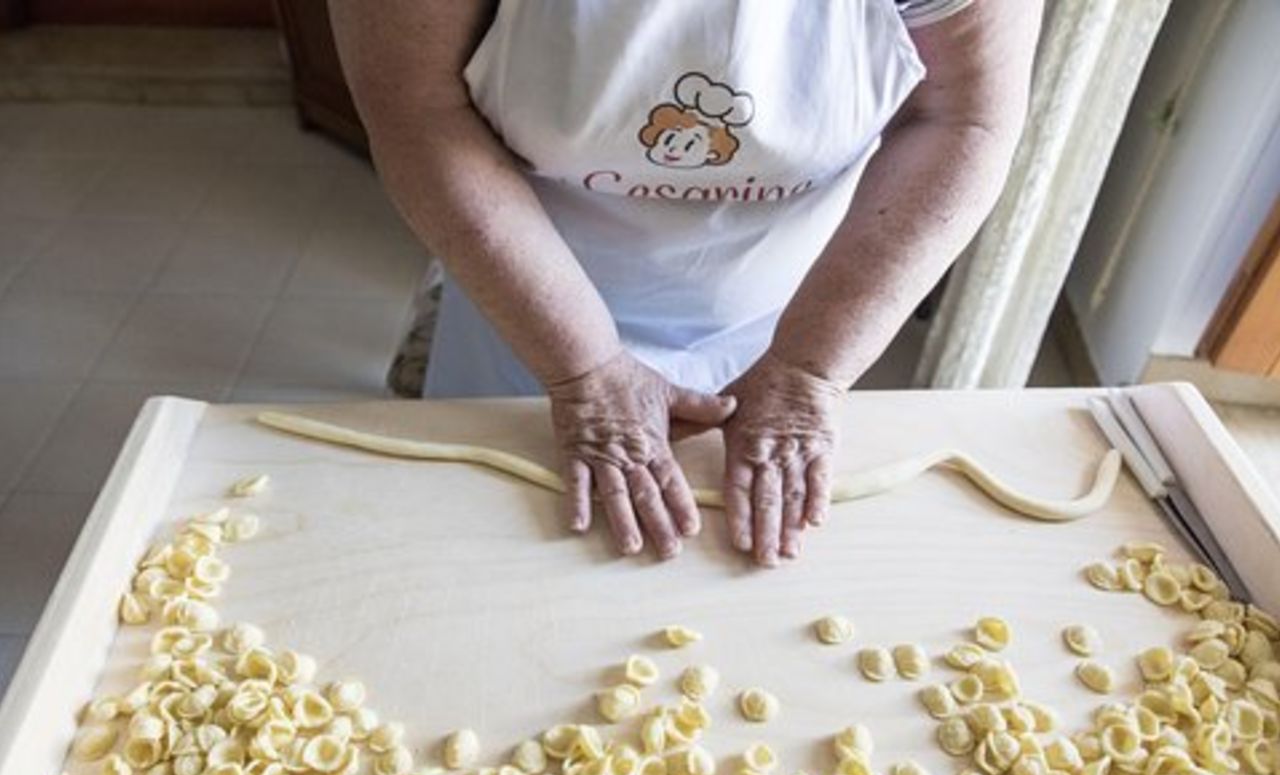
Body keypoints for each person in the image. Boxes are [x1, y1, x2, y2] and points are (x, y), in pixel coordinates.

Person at [331, 0, 1041, 566]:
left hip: (791, 318)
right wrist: (584, 373)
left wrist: (807, 371)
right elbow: (416, 104)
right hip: (522, 317)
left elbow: (963, 117)